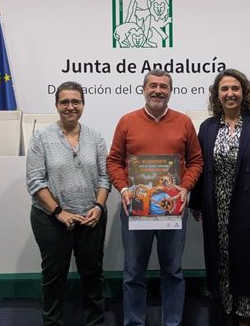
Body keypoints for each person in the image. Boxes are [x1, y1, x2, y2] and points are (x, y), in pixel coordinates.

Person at [107, 69, 203, 326]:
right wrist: (125, 190)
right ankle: (134, 323)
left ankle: (172, 323)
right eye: (153, 85)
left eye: (163, 86)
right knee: (133, 274)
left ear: (171, 91)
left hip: (172, 210)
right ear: (143, 89)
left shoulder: (183, 122)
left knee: (173, 272)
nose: (158, 90)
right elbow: (113, 161)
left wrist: (184, 187)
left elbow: (196, 161)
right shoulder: (127, 121)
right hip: (135, 210)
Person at [189, 69, 250, 326]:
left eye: (235, 88)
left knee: (249, 266)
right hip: (216, 210)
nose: (230, 94)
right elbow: (200, 166)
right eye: (224, 89)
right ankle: (228, 316)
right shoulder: (208, 127)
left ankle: (246, 320)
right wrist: (196, 203)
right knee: (222, 265)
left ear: (244, 92)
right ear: (217, 95)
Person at [27, 81, 110, 326]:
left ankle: (95, 323)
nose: (70, 107)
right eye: (65, 102)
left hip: (90, 218)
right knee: (54, 278)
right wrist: (58, 212)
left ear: (83, 104)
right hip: (50, 219)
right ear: (57, 105)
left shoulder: (95, 137)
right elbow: (35, 180)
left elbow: (105, 178)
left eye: (76, 101)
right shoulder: (41, 137)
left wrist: (98, 207)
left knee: (93, 276)